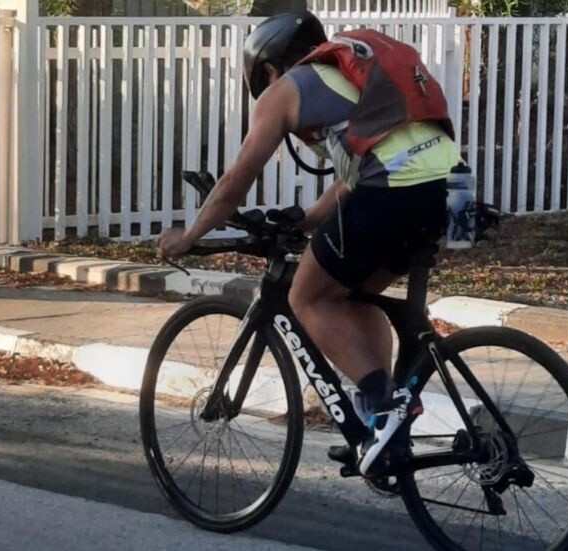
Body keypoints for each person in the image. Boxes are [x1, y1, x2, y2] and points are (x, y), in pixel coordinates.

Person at [159, 10, 462, 476]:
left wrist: (190, 234)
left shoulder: (285, 90)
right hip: (452, 187)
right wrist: (308, 219)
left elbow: (238, 178)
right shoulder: (351, 76)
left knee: (306, 297)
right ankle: (381, 429)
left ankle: (387, 404)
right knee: (352, 295)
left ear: (267, 68)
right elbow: (360, 171)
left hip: (394, 189)